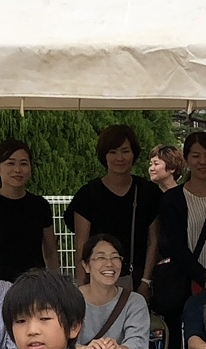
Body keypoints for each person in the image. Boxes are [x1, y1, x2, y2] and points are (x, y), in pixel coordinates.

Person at [69, 122, 163, 298]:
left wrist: (145, 282)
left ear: (134, 154)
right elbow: (81, 243)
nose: (120, 157)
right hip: (96, 282)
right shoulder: (87, 194)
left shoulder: (148, 193)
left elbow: (154, 241)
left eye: (125, 151)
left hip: (136, 281)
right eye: (113, 152)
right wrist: (82, 285)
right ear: (104, 156)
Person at [152, 130, 206, 349]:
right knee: (176, 342)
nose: (202, 161)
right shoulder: (172, 199)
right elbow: (174, 244)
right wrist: (203, 276)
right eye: (195, 155)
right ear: (187, 159)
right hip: (181, 281)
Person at [0, 139, 58, 281]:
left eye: (23, 163)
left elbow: (50, 251)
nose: (18, 170)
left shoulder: (40, 206)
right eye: (10, 163)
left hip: (33, 285)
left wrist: (56, 283)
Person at [75, 231, 152, 349]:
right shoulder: (68, 299)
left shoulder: (134, 301)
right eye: (101, 258)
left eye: (115, 257)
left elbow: (138, 342)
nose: (109, 264)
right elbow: (58, 343)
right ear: (86, 266)